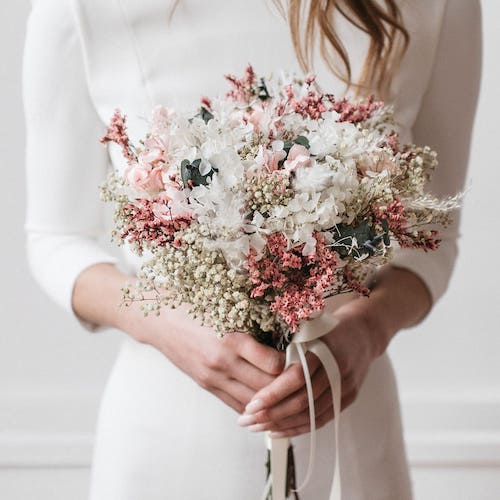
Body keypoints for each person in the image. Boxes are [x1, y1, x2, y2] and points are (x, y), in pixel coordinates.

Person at [23, 0, 481, 498]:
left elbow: (434, 242)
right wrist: (163, 322)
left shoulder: (438, 6)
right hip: (169, 436)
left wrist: (367, 331)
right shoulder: (80, 9)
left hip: (347, 425)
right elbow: (55, 238)